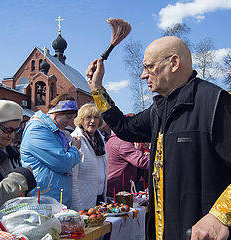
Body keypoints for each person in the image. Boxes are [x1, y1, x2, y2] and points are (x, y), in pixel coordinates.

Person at [85, 36, 231, 240]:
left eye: (149, 67)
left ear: (173, 63)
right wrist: (97, 89)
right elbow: (124, 128)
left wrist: (221, 216)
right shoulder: (158, 109)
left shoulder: (216, 103)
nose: (143, 75)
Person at [20, 95, 81, 208]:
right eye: (68, 117)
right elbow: (63, 163)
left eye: (72, 118)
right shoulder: (37, 129)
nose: (70, 122)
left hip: (54, 198)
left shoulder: (55, 131)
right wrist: (75, 149)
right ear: (56, 112)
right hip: (42, 200)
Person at [0, 100, 36, 224]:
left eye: (15, 130)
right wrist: (22, 176)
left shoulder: (10, 153)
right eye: (7, 130)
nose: (12, 136)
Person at [71, 103, 108, 211]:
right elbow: (72, 179)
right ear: (81, 120)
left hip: (100, 197)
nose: (93, 121)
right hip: (83, 202)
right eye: (88, 117)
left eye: (96, 117)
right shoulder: (76, 140)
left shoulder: (100, 140)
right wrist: (78, 207)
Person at [106, 132, 149, 197]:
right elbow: (141, 161)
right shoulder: (122, 142)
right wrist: (161, 160)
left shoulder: (114, 139)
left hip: (114, 188)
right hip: (118, 192)